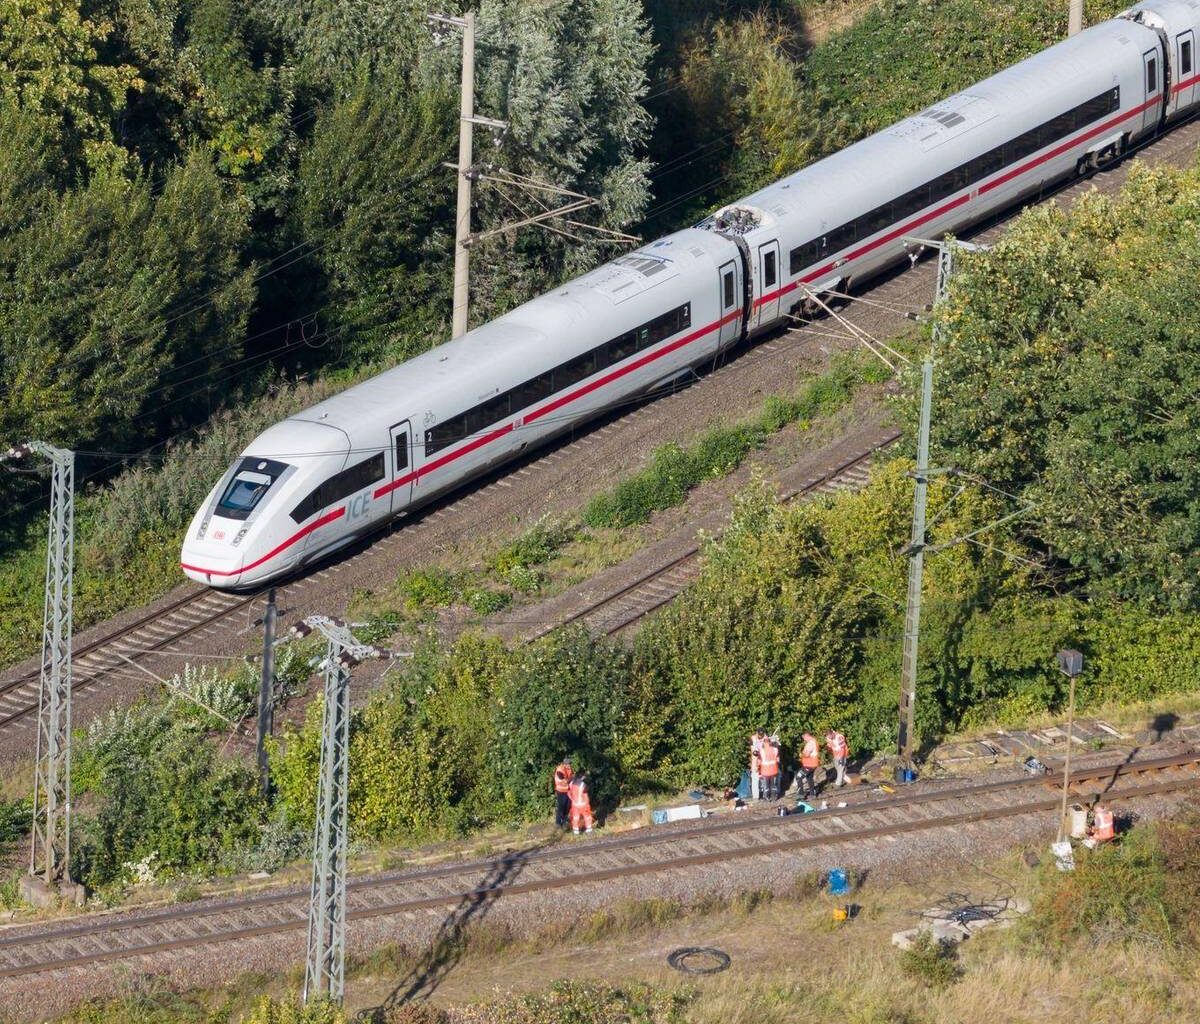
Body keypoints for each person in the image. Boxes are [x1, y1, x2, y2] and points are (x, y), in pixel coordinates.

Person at [552, 758, 574, 829]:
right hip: (561, 791)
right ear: (565, 764)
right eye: (569, 764)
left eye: (570, 764)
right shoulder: (560, 770)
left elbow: (572, 776)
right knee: (561, 806)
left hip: (568, 790)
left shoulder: (569, 769)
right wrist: (571, 779)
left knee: (567, 806)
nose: (570, 765)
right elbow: (564, 781)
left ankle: (564, 822)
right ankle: (558, 823)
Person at [758, 734, 781, 801]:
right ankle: (774, 797)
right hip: (774, 770)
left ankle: (766, 797)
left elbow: (759, 762)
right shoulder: (775, 750)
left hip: (765, 771)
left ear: (764, 743)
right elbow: (778, 760)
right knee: (773, 784)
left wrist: (758, 768)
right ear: (770, 742)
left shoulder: (761, 751)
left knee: (766, 785)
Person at [798, 732, 821, 799]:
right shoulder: (814, 741)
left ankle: (801, 794)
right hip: (812, 764)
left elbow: (807, 754)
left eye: (804, 738)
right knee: (809, 778)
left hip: (809, 764)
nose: (804, 740)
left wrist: (801, 755)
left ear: (807, 736)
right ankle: (812, 794)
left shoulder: (811, 743)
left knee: (798, 777)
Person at [749, 728, 766, 800]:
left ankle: (765, 794)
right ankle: (756, 796)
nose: (760, 736)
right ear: (757, 733)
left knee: (764, 777)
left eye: (762, 735)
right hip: (755, 759)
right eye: (759, 735)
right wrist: (756, 764)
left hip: (763, 760)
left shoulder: (765, 738)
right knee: (755, 778)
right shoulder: (752, 738)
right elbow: (753, 751)